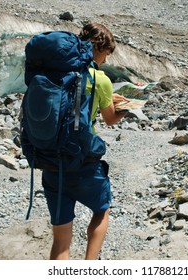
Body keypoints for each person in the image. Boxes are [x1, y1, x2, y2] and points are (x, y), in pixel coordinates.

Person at [41, 22, 128, 260]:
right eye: (106, 54)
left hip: (51, 162)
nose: (106, 61)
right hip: (83, 163)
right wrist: (124, 108)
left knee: (60, 242)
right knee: (101, 212)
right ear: (98, 48)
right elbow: (110, 119)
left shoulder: (53, 73)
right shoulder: (100, 79)